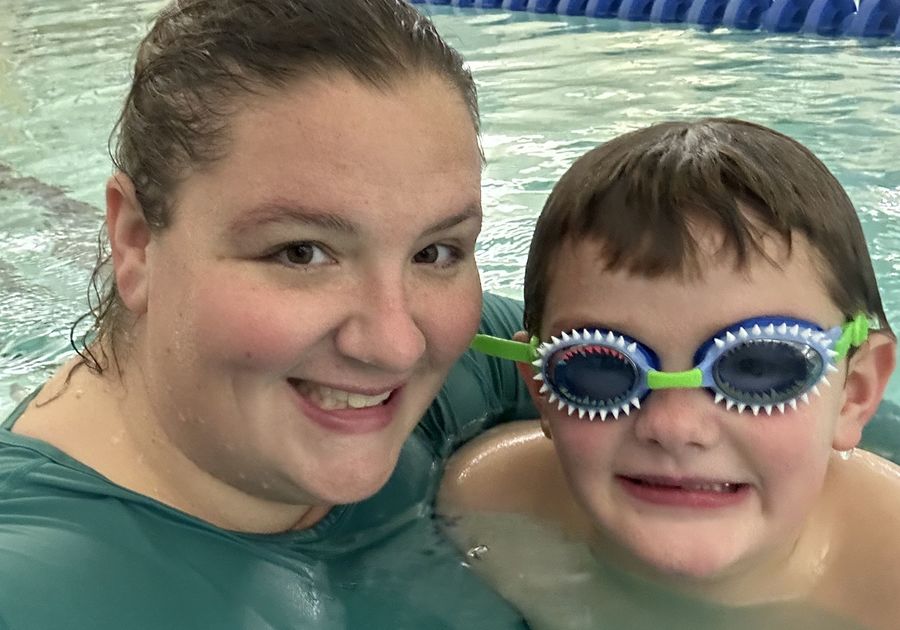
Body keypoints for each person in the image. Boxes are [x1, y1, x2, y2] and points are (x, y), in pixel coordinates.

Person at [0, 1, 536, 628]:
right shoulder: (31, 587)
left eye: (434, 252)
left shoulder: (466, 371)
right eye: (301, 253)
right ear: (137, 241)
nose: (395, 346)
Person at [439, 119, 899, 630]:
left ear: (855, 394)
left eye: (759, 367)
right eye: (599, 366)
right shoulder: (490, 504)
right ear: (540, 391)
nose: (675, 427)